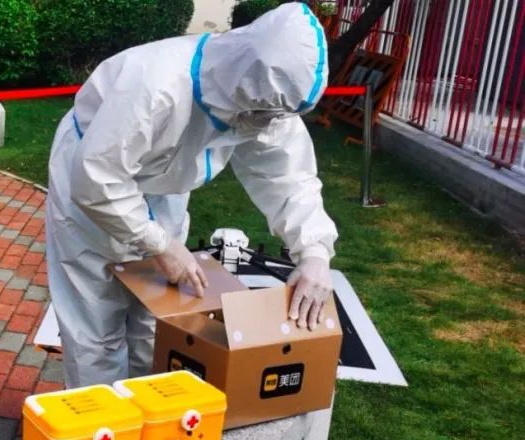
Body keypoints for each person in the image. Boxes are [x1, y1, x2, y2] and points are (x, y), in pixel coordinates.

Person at [46, 3, 338, 388]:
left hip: (163, 185)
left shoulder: (265, 96)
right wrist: (160, 244)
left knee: (158, 316)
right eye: (264, 112)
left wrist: (314, 253)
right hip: (90, 181)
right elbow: (98, 177)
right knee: (95, 326)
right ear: (246, 85)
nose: (267, 121)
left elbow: (289, 176)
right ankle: (100, 419)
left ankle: (150, 411)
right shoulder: (155, 85)